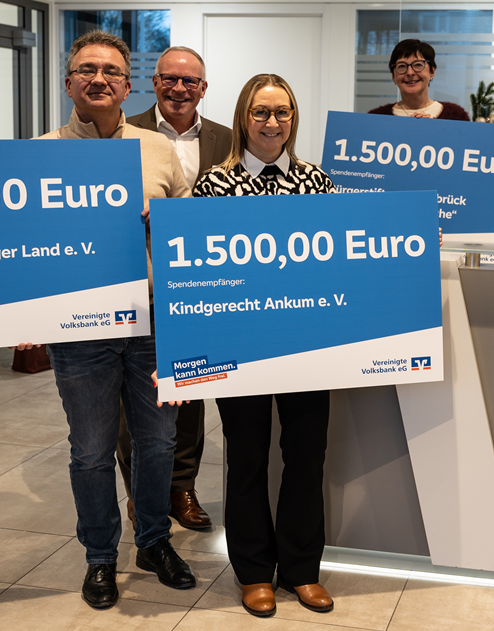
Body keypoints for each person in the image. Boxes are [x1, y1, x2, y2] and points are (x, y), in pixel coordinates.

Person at [34, 30, 195, 610]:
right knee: (92, 450)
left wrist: (166, 224)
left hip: (153, 322)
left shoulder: (159, 149)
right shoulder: (39, 153)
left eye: (111, 72)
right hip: (80, 328)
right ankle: (100, 556)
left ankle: (153, 541)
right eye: (87, 70)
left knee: (158, 443)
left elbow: (191, 233)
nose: (98, 79)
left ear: (128, 87)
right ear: (68, 82)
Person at [194, 74, 336, 618]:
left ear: (293, 119)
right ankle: (254, 570)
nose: (272, 122)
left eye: (282, 112)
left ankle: (301, 569)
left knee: (306, 457)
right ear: (243, 118)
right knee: (248, 458)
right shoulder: (214, 184)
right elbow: (201, 270)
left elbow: (347, 253)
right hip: (242, 345)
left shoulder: (316, 181)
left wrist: (413, 236)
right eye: (261, 112)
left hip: (307, 344)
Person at [122, 45, 233, 531]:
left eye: (190, 81)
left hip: (198, 287)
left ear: (203, 88)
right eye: (170, 78)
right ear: (154, 82)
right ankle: (140, 490)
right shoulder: (124, 133)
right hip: (137, 285)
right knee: (132, 401)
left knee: (189, 387)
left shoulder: (229, 138)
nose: (179, 88)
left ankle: (182, 486)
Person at [367, 39, 470, 121]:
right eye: (402, 66)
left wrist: (435, 128)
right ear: (393, 76)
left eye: (418, 65)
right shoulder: (375, 118)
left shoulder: (457, 116)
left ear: (432, 72)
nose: (410, 72)